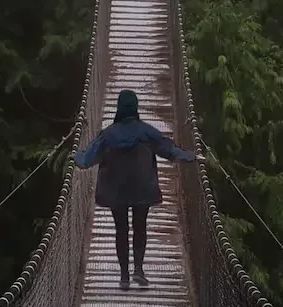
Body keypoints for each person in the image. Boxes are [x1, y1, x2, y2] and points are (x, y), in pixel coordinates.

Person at [74, 89, 197, 289]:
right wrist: (191, 156)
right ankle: (138, 270)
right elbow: (170, 150)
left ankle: (124, 276)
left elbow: (86, 160)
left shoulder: (107, 134)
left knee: (121, 230)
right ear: (136, 107)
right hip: (142, 190)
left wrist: (75, 155)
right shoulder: (147, 131)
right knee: (140, 227)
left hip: (116, 191)